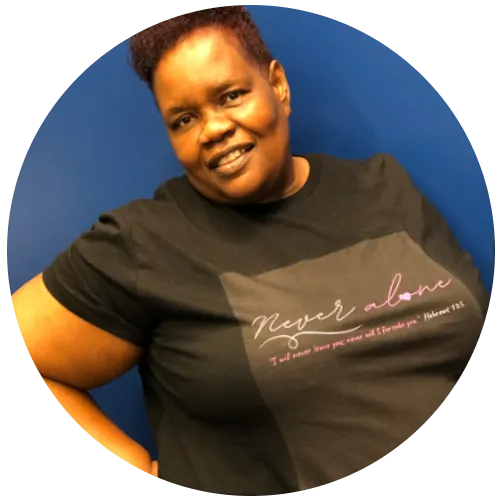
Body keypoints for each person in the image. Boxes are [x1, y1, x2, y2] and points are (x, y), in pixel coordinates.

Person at [12, 6, 489, 496]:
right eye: (184, 119)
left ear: (278, 86)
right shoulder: (145, 242)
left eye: (231, 96)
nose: (213, 129)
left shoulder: (385, 186)